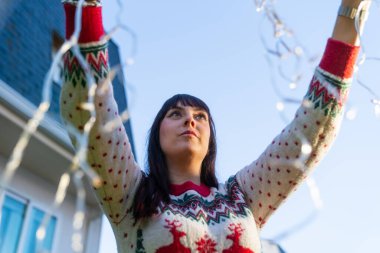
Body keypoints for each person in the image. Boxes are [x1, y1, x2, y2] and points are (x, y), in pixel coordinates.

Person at [60, 0, 368, 252]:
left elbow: (310, 133)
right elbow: (91, 112)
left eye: (200, 116)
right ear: (157, 135)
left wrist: (351, 13)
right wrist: (85, 7)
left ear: (211, 140)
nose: (190, 120)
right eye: (176, 114)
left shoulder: (243, 197)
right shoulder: (130, 195)